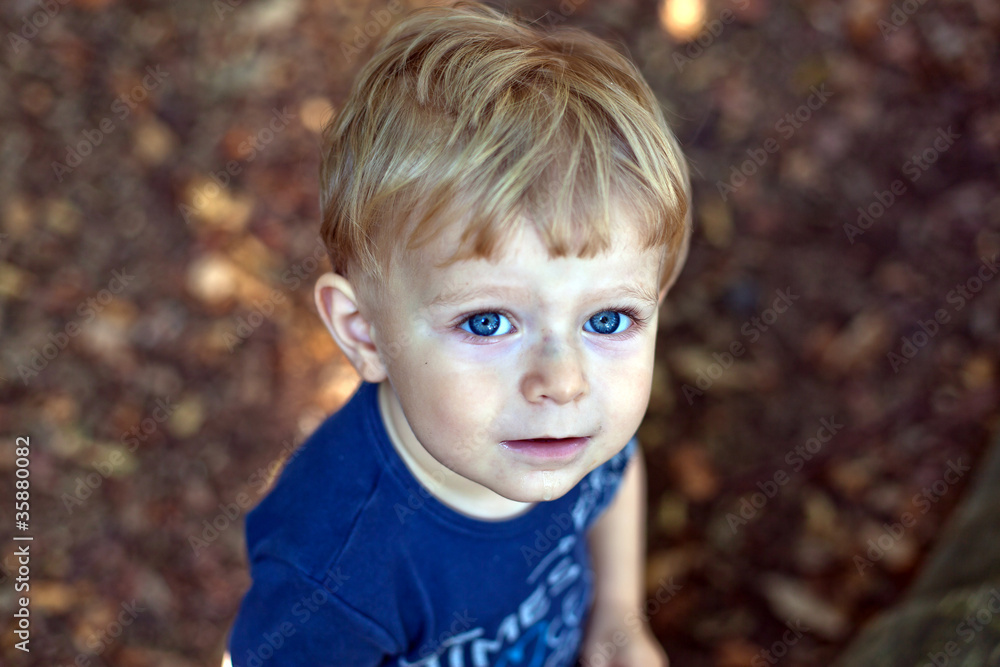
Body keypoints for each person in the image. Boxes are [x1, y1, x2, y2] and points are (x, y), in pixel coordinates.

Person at [226, 1, 691, 665]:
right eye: (488, 321)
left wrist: (617, 616)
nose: (563, 381)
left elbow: (616, 471)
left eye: (607, 319)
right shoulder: (334, 575)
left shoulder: (569, 431)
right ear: (365, 334)